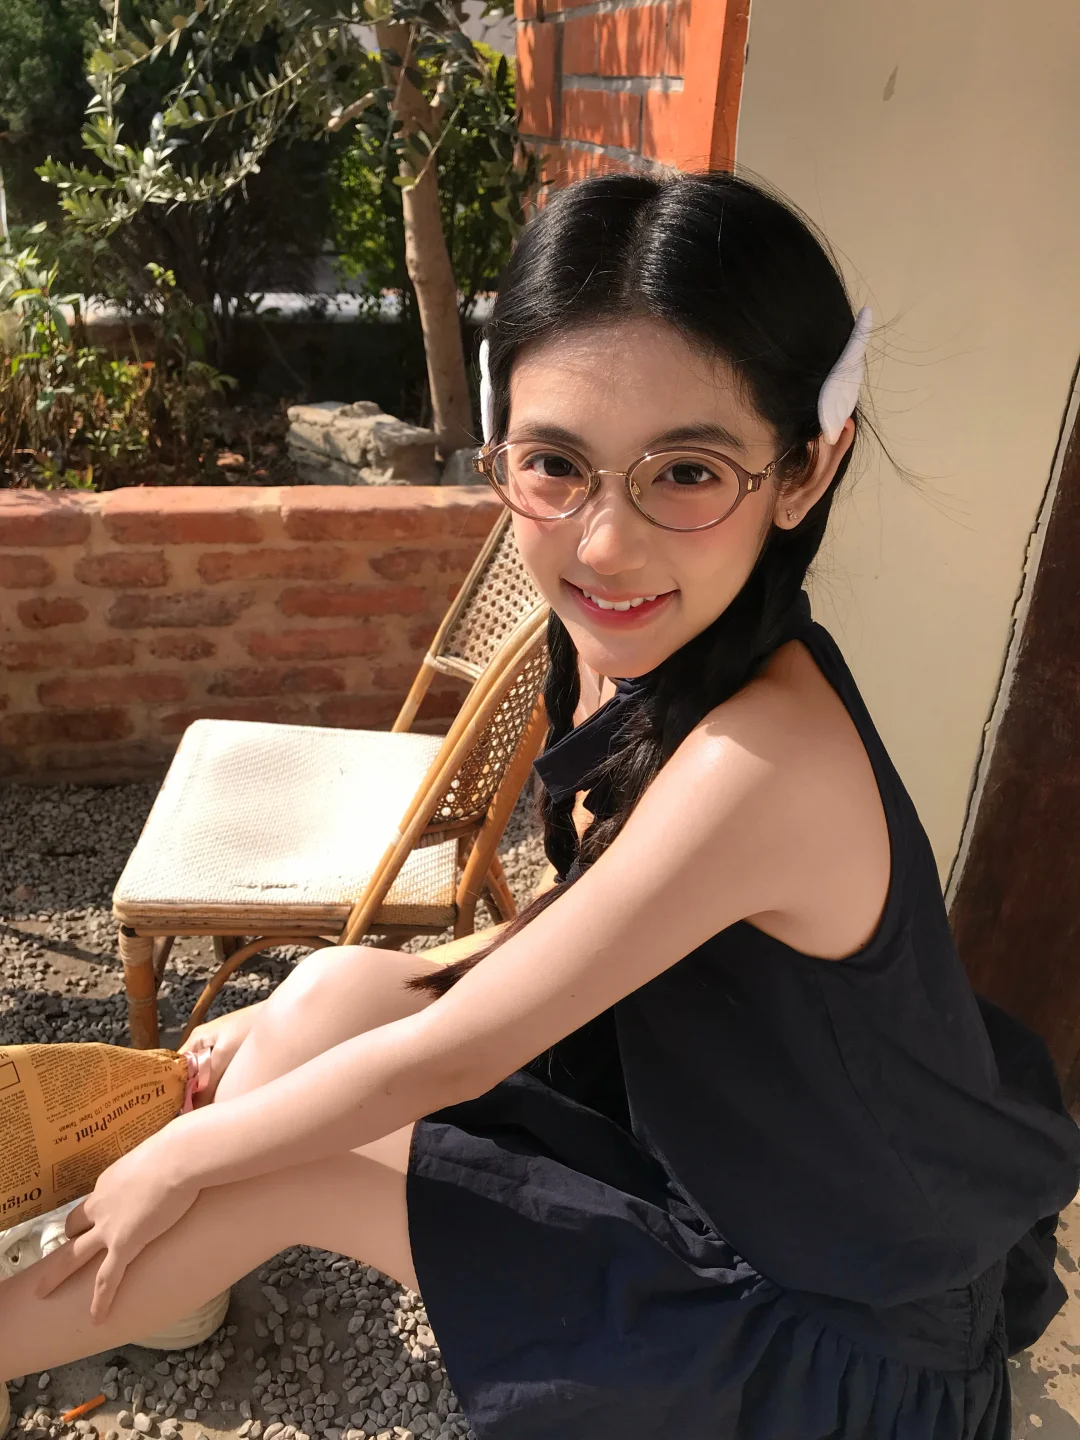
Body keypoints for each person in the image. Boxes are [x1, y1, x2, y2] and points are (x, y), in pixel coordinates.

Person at [1, 171, 1078, 1440]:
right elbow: (579, 924)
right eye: (557, 465)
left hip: (826, 1316)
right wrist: (281, 1019)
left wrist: (173, 1158)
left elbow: (461, 1052)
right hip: (726, 1147)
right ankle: (146, 1273)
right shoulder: (646, 652)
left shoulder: (763, 761)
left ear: (804, 469)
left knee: (265, 1174)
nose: (606, 543)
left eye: (687, 471)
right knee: (328, 1001)